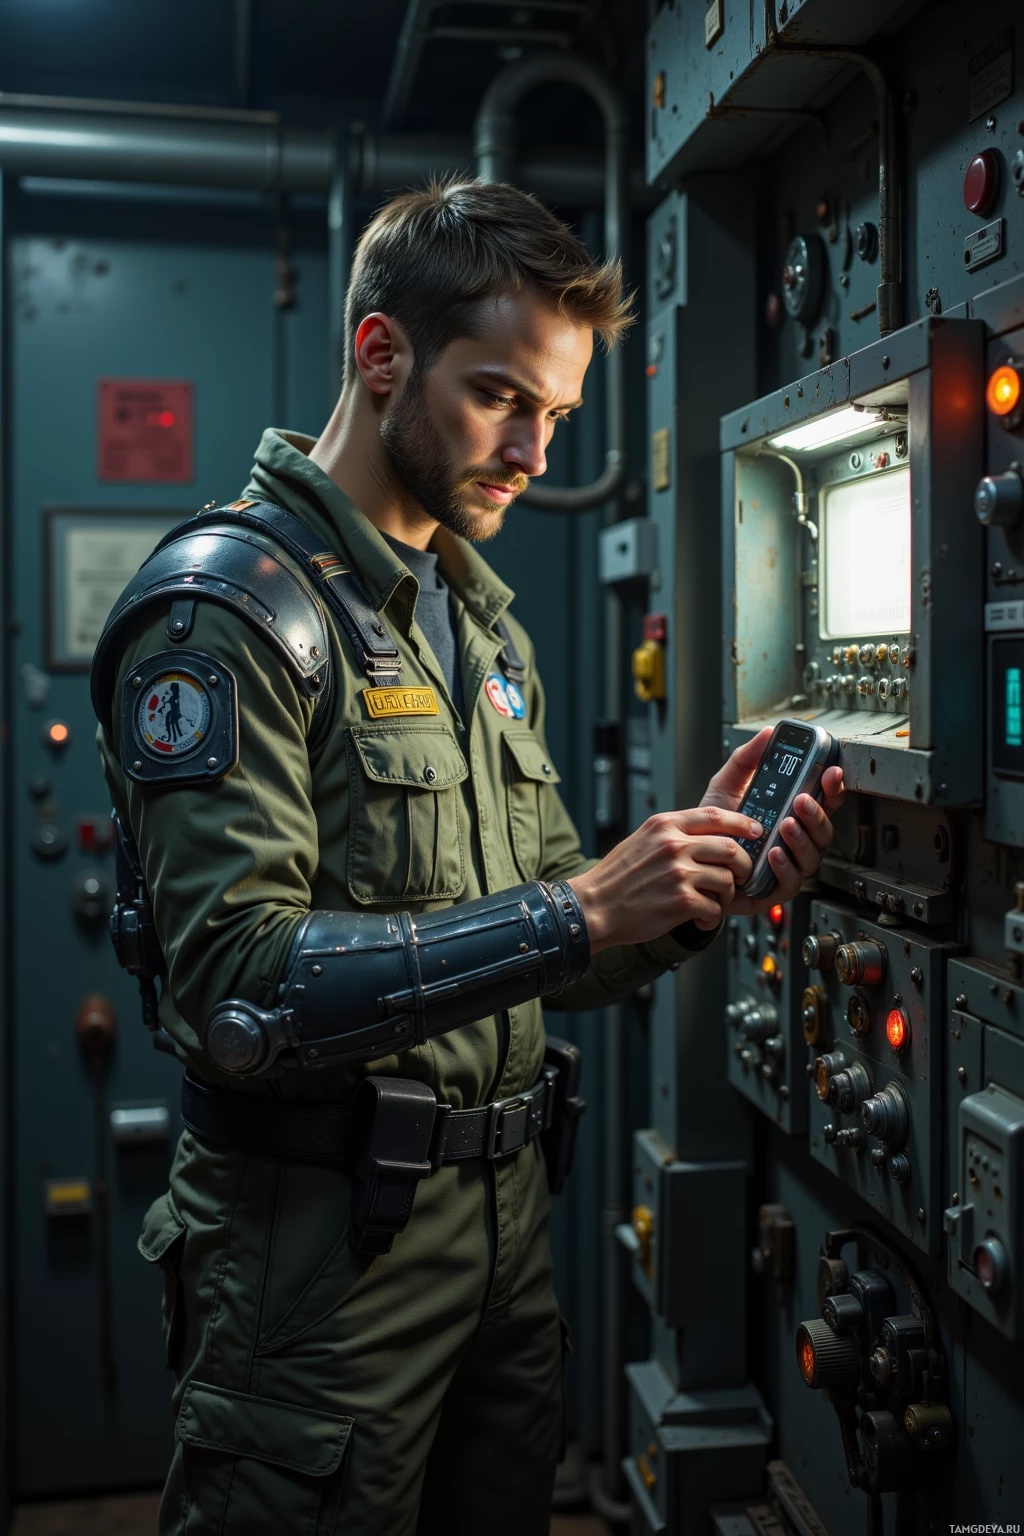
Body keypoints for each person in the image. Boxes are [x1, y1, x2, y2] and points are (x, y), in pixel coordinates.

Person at [91, 178, 844, 1536]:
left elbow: (558, 949)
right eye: (500, 397)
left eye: (556, 412)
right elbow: (238, 986)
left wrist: (687, 893)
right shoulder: (230, 613)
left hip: (502, 1243)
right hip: (317, 1265)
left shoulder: (479, 632)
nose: (535, 452)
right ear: (383, 355)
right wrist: (577, 909)